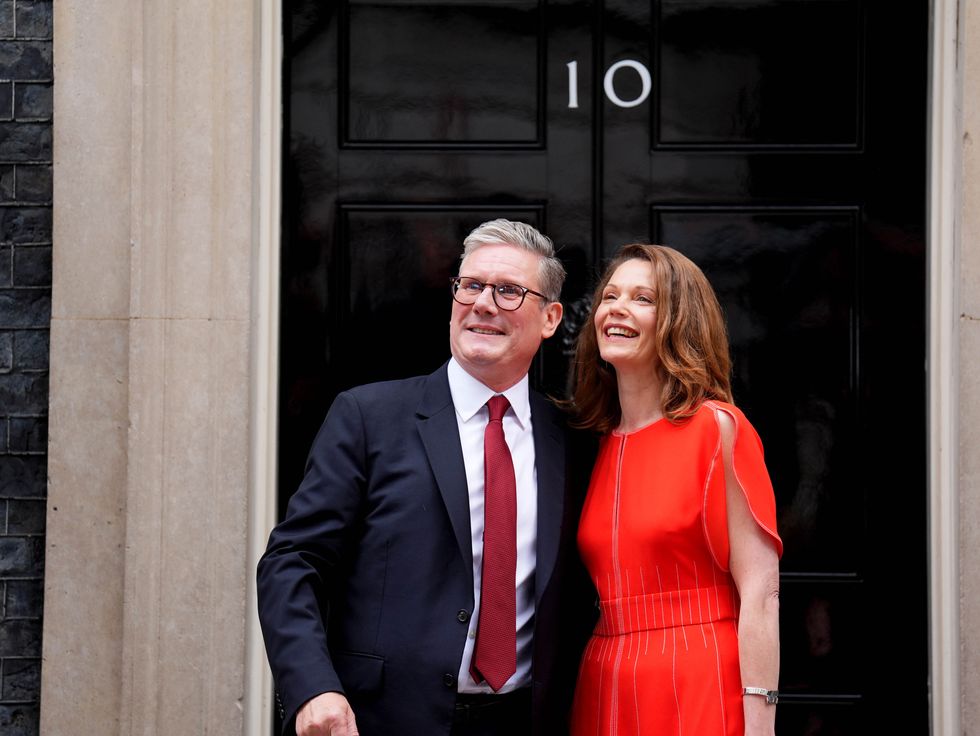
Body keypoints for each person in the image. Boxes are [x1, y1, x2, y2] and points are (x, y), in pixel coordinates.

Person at [257, 219, 594, 736]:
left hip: (525, 720)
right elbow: (292, 562)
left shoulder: (571, 440)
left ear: (550, 319)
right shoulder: (368, 417)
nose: (483, 303)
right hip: (382, 720)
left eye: (508, 291)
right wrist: (312, 686)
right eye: (471, 286)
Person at [567, 244, 782, 736]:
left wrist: (760, 722)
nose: (617, 308)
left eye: (643, 298)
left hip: (699, 673)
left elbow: (761, 592)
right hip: (605, 677)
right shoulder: (593, 444)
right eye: (610, 295)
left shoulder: (718, 429)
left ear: (680, 321)